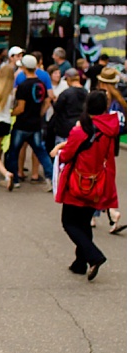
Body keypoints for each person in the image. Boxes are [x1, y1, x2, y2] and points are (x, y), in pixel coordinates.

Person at [52, 90, 121, 280]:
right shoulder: (109, 129)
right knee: (83, 223)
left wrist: (60, 150)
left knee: (69, 222)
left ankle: (93, 256)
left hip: (78, 180)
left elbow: (67, 155)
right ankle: (80, 262)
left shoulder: (80, 129)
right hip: (98, 180)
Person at [5, 55, 53, 190]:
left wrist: (9, 113)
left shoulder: (23, 86)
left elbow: (20, 108)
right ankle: (51, 178)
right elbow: (48, 100)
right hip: (36, 124)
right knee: (41, 152)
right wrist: (40, 113)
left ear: (24, 67)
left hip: (22, 124)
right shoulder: (41, 84)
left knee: (13, 152)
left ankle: (13, 179)